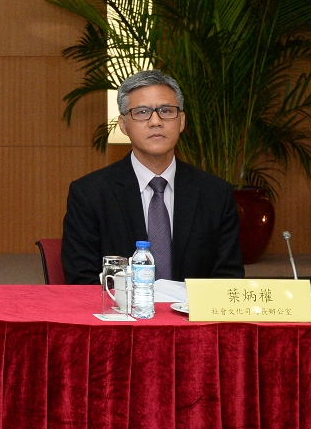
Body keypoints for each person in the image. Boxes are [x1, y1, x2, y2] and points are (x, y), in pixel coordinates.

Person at [61, 69, 242, 284]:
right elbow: (82, 279)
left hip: (192, 307)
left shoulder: (215, 194)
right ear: (123, 125)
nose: (156, 121)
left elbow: (228, 279)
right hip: (119, 306)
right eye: (142, 112)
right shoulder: (90, 194)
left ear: (181, 121)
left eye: (166, 111)